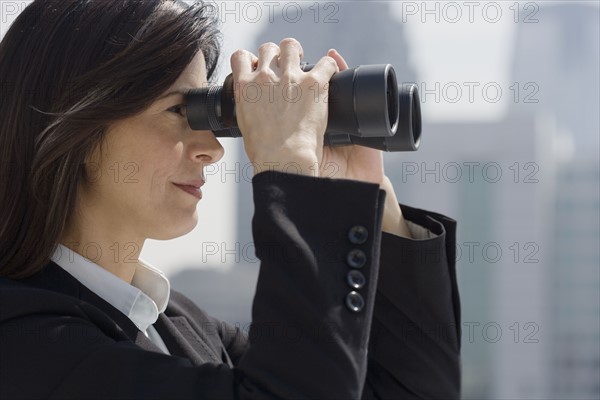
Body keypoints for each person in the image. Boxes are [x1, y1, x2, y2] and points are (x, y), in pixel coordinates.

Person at [0, 1, 461, 399]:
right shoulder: (24, 340)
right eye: (179, 110)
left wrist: (369, 195)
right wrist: (292, 176)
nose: (214, 148)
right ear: (71, 126)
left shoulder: (179, 324)